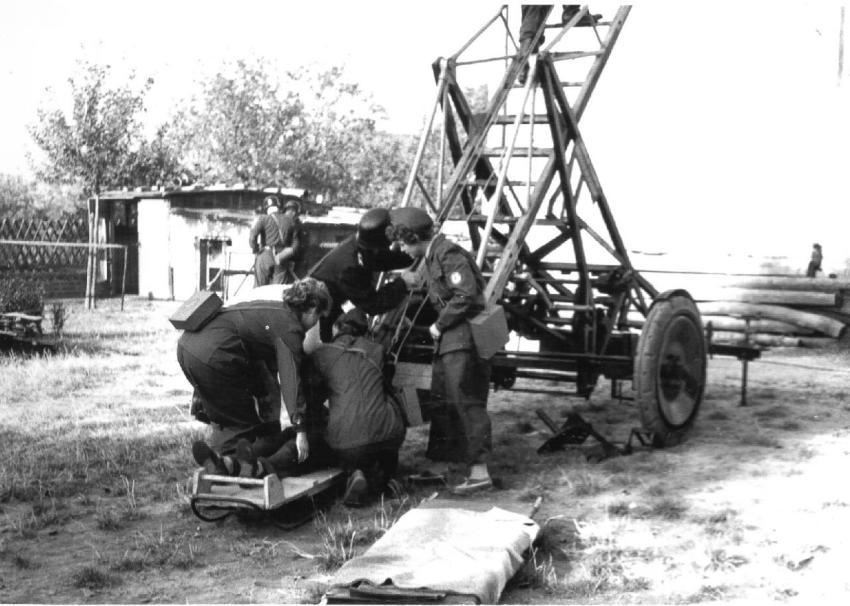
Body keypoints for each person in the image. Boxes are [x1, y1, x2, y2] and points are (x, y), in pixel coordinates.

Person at [177, 277, 332, 477]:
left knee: (225, 417)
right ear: (311, 309)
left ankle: (222, 463)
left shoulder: (272, 304)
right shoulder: (289, 327)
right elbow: (291, 382)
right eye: (318, 316)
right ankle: (233, 473)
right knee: (242, 425)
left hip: (187, 346)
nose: (316, 323)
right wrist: (301, 430)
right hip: (216, 354)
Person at [390, 207, 493, 495]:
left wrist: (439, 324)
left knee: (466, 402)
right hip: (449, 342)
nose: (400, 248)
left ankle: (480, 470)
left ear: (412, 237)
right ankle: (441, 464)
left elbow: (466, 295)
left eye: (401, 242)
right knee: (442, 401)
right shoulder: (432, 256)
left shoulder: (448, 254)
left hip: (463, 340)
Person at [306, 308, 406, 506]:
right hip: (388, 435)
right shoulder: (377, 350)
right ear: (365, 332)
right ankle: (383, 478)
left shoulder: (322, 354)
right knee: (380, 420)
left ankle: (356, 472)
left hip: (348, 444)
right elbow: (386, 386)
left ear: (336, 328)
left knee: (340, 434)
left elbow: (313, 398)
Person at [308, 208, 413, 343]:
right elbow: (373, 304)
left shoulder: (362, 245)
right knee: (323, 350)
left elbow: (383, 259)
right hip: (316, 313)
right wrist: (402, 283)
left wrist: (412, 253)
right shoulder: (349, 266)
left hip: (327, 306)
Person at [249, 196, 303, 287]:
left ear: (266, 208)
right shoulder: (290, 220)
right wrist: (284, 254)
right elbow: (295, 245)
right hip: (282, 258)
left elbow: (252, 238)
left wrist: (256, 249)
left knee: (258, 290)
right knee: (278, 291)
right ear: (279, 207)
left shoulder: (263, 219)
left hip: (265, 255)